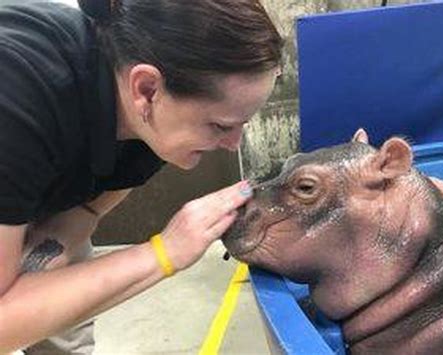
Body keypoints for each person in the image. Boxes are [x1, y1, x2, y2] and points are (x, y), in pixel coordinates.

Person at [0, 0, 283, 353]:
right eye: (220, 125)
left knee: (61, 331)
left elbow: (86, 213)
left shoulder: (152, 129)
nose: (231, 144)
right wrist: (165, 252)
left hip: (46, 198)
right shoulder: (17, 97)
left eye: (242, 124)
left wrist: (43, 276)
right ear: (147, 89)